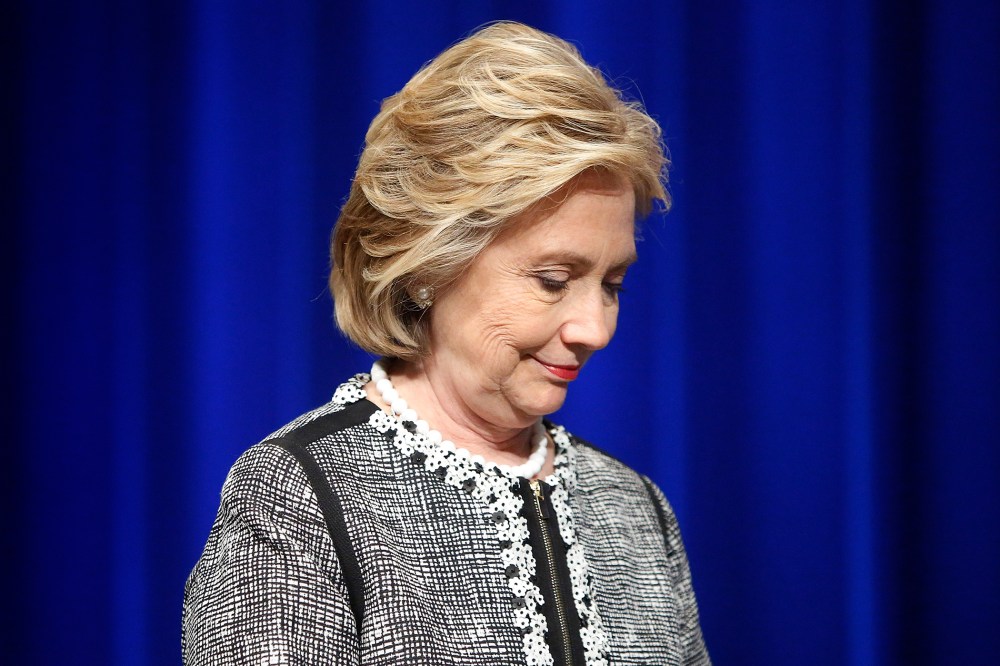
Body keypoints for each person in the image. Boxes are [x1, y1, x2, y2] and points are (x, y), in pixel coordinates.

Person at [183, 21, 710, 665]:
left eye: (612, 285)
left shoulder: (634, 506)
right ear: (429, 264)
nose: (595, 330)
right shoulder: (300, 495)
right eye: (553, 280)